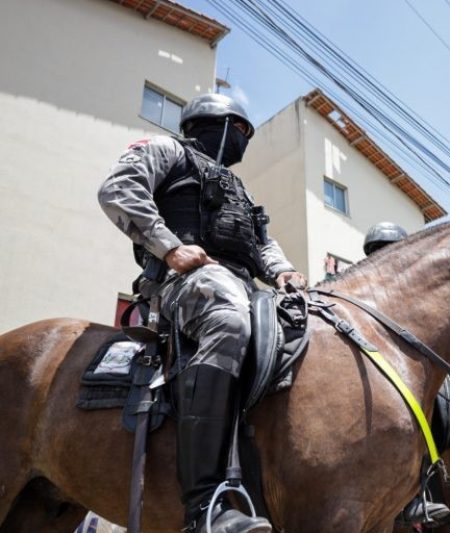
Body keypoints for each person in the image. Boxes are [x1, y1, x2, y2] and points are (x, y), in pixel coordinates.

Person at [98, 93, 305, 533]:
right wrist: (170, 247)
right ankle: (206, 505)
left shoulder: (240, 189)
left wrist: (284, 272)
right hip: (186, 282)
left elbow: (261, 242)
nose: (242, 141)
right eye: (240, 130)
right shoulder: (166, 150)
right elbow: (118, 190)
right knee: (227, 315)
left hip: (248, 285)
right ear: (215, 124)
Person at [362, 223, 450, 527]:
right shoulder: (357, 282)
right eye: (380, 250)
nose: (386, 256)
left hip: (406, 371)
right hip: (364, 366)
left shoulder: (417, 293)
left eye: (393, 249)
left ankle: (421, 495)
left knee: (438, 406)